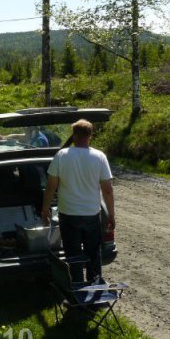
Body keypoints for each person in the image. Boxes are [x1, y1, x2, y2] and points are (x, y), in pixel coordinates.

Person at [41, 119, 115, 283]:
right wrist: (111, 215)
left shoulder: (62, 155)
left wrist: (45, 210)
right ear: (90, 136)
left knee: (73, 254)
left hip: (69, 214)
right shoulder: (99, 157)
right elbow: (108, 190)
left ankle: (77, 287)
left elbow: (51, 186)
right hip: (91, 214)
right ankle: (94, 286)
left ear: (74, 135)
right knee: (93, 253)